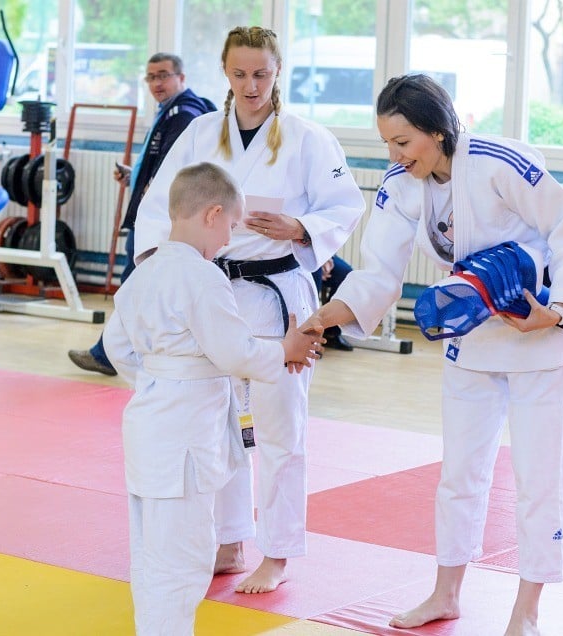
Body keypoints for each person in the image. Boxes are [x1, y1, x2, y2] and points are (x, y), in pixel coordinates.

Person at [300, 74, 563, 635]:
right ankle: (446, 592)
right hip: (471, 338)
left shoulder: (499, 163)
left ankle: (526, 611)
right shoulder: (403, 183)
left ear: (438, 131)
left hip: (540, 336)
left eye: (403, 142)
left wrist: (560, 312)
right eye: (387, 142)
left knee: (539, 477)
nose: (393, 154)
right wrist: (324, 316)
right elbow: (380, 270)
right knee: (459, 473)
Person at [133, 27, 365, 594]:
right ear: (225, 74)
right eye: (239, 74)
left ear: (278, 71)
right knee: (218, 422)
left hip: (279, 293)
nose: (250, 85)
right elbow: (160, 205)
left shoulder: (308, 139)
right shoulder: (199, 133)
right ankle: (230, 537)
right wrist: (162, 272)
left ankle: (279, 550)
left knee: (280, 425)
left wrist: (301, 227)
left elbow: (345, 204)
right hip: (213, 292)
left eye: (261, 73)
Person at [102, 162, 323, 635]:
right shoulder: (202, 277)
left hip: (149, 420)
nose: (227, 241)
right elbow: (234, 352)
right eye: (229, 227)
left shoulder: (142, 273)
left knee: (151, 551)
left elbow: (117, 347)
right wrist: (286, 349)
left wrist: (161, 376)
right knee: (184, 558)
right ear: (213, 214)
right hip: (184, 431)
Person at [69, 52, 217, 376]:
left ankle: (108, 354)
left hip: (157, 221)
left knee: (134, 288)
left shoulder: (183, 115)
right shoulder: (173, 113)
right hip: (159, 216)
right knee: (140, 289)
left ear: (182, 78)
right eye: (150, 77)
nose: (156, 84)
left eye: (163, 75)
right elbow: (158, 168)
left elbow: (172, 172)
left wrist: (151, 195)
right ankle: (114, 352)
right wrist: (133, 177)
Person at [312, 255, 354, 351]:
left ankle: (331, 333)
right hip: (300, 254)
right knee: (316, 273)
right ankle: (309, 338)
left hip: (321, 252)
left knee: (346, 273)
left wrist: (326, 257)